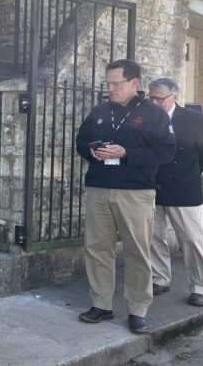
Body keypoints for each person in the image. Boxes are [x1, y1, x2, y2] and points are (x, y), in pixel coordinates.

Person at [75, 59, 176, 334]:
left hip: (136, 192)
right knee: (97, 249)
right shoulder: (99, 110)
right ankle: (101, 305)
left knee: (137, 252)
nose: (111, 88)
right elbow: (81, 141)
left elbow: (166, 152)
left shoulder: (154, 114)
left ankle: (137, 310)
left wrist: (126, 153)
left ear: (134, 83)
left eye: (116, 83)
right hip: (98, 189)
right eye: (108, 83)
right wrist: (91, 151)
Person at [147, 77, 203, 306]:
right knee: (152, 236)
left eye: (159, 98)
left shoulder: (196, 121)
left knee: (192, 239)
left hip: (184, 187)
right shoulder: (145, 118)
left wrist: (190, 173)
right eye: (150, 97)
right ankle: (159, 278)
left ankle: (201, 286)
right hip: (151, 185)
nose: (154, 102)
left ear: (175, 97)